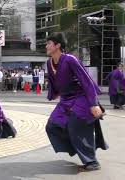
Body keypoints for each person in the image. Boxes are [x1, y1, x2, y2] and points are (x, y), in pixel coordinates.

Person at [44, 33, 108, 172]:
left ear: (58, 45)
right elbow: (53, 82)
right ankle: (76, 147)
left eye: (49, 43)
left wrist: (93, 104)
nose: (46, 46)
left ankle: (91, 162)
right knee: (52, 126)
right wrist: (52, 94)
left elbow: (86, 81)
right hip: (65, 100)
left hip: (81, 98)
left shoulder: (70, 59)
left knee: (76, 127)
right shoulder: (49, 63)